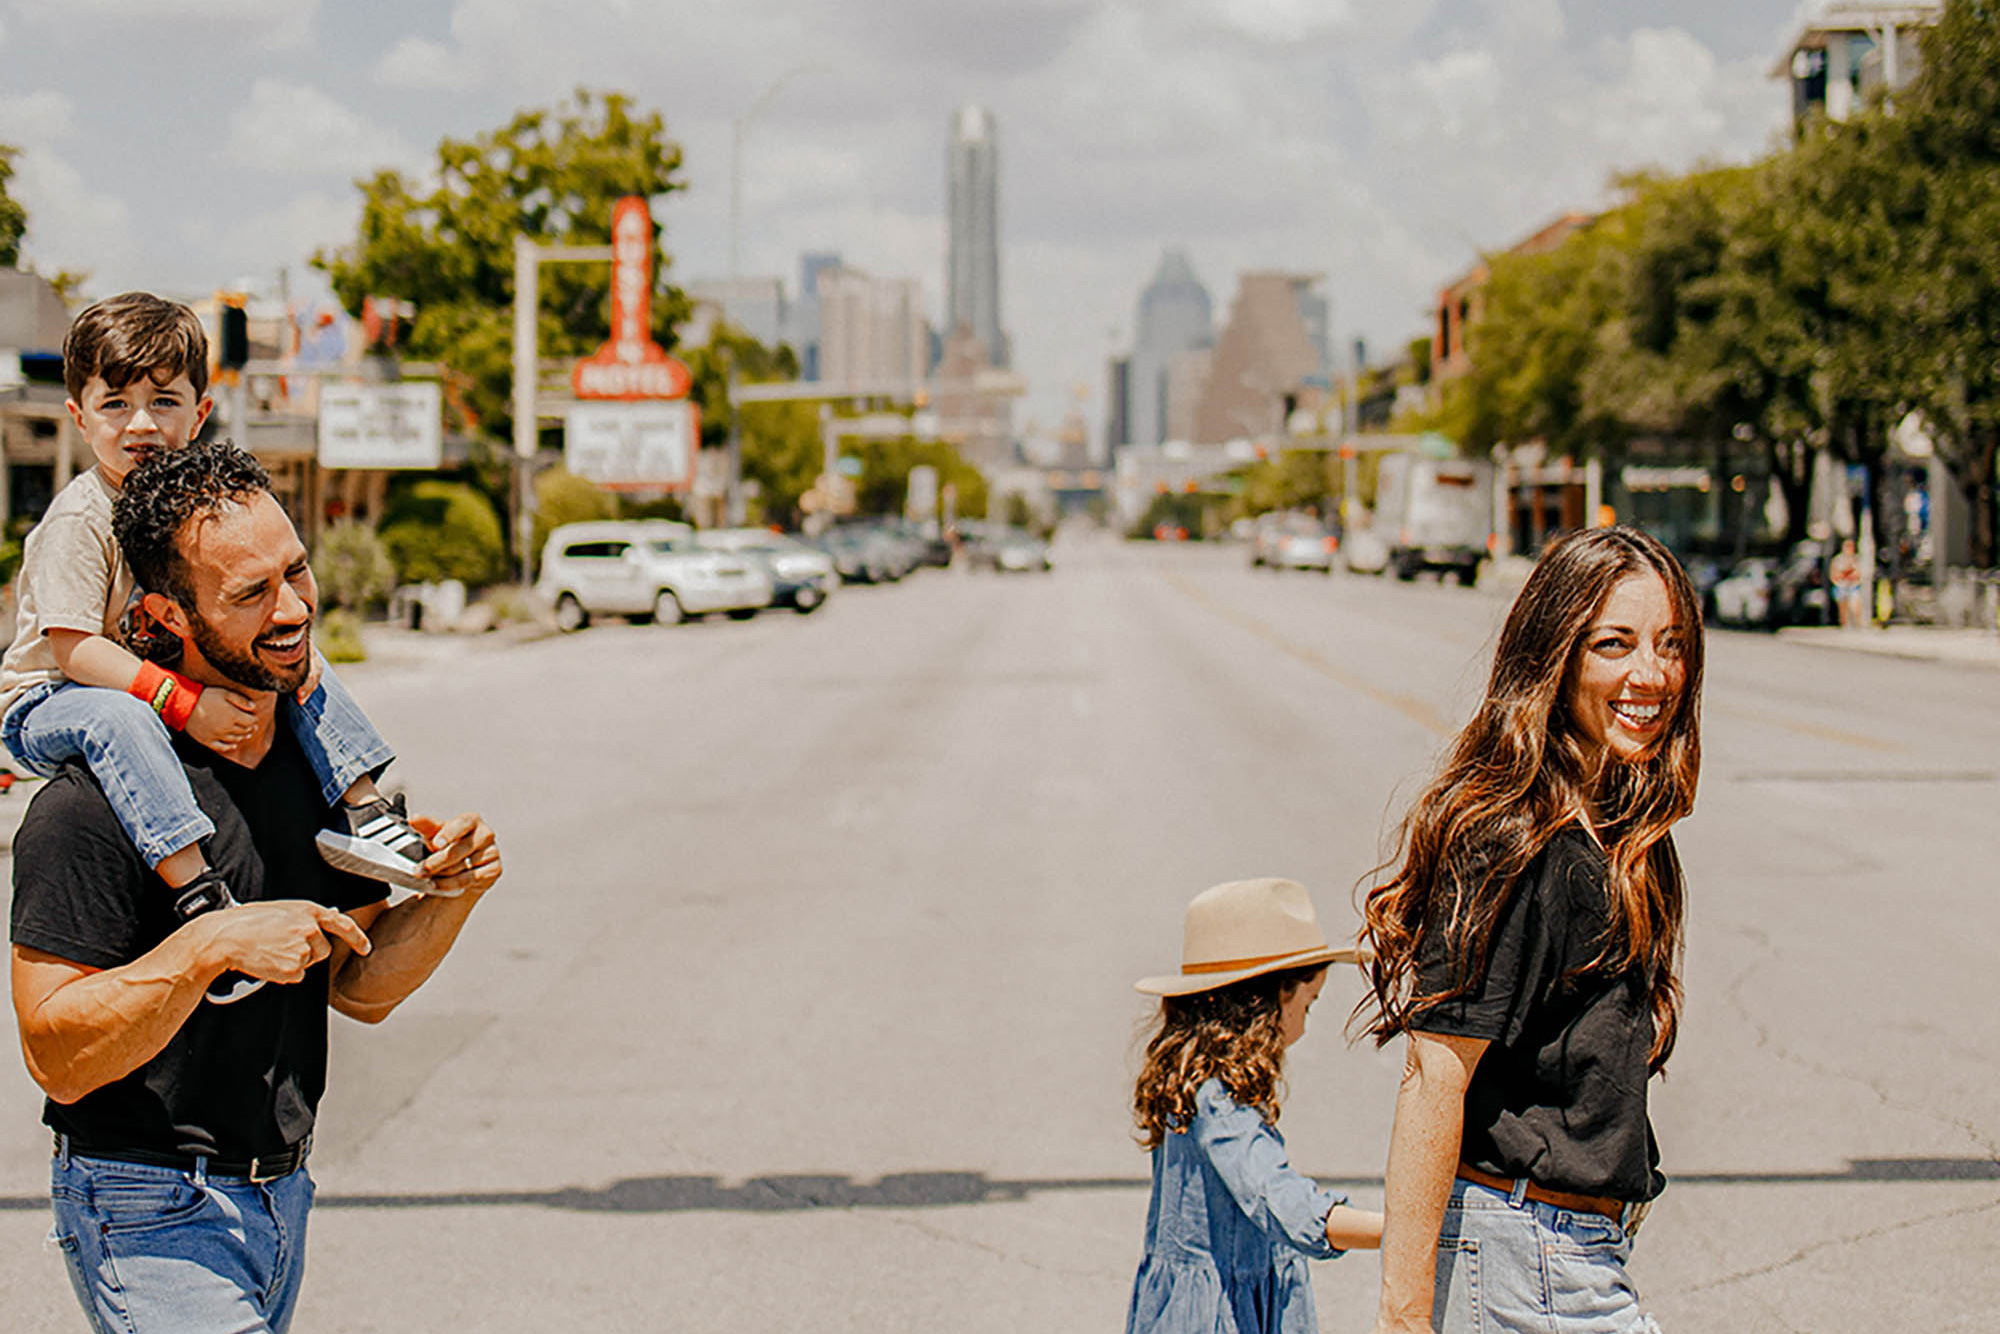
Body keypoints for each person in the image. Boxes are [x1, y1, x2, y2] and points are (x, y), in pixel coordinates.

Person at [9, 440, 503, 1334]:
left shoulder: (319, 772)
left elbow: (358, 987)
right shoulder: (90, 803)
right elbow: (56, 1055)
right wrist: (207, 944)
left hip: (283, 1197)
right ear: (165, 615)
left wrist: (451, 894)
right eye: (251, 594)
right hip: (145, 1207)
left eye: (296, 572)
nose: (294, 608)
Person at [0, 294, 435, 994]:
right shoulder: (80, 521)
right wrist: (185, 704)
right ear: (79, 417)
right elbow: (76, 651)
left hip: (134, 680)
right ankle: (200, 895)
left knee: (293, 654)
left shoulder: (188, 515)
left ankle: (364, 807)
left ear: (200, 415)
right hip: (51, 697)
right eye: (116, 405)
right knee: (120, 716)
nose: (142, 424)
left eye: (164, 402)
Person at [1356, 526, 1702, 1334]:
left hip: (1561, 1251)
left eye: (1671, 644)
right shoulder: (1515, 840)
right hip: (1528, 1256)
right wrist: (1404, 1317)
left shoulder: (1619, 830)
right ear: (1555, 655)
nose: (1651, 674)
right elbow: (1434, 1074)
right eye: (1614, 644)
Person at [1127, 877, 1384, 1334]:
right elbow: (1282, 1201)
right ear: (1274, 997)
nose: (1305, 1024)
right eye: (1309, 1004)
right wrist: (1401, 1231)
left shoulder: (1192, 1082)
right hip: (1219, 1317)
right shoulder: (1218, 1104)